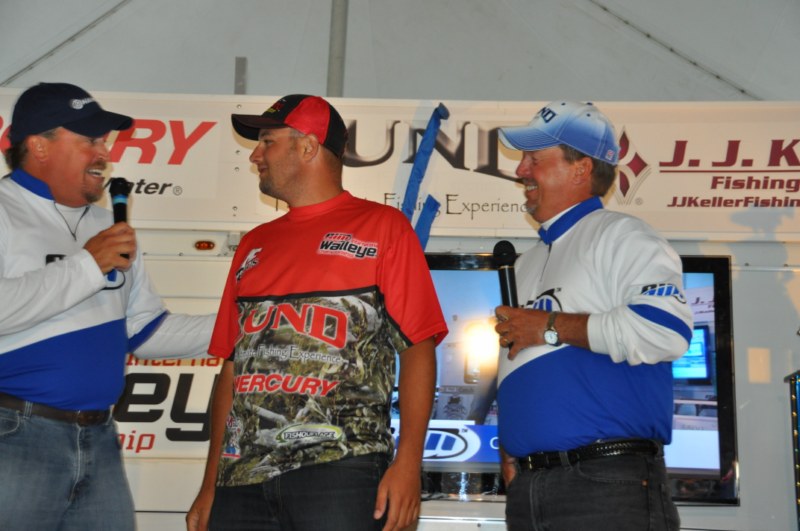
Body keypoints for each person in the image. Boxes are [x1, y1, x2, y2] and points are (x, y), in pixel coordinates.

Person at [186, 94, 447, 531]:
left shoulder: (383, 228)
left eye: (267, 142)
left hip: (341, 469)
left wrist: (408, 465)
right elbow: (231, 369)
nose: (254, 155)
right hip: (242, 478)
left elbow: (418, 348)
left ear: (307, 146)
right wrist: (210, 482)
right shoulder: (253, 244)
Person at [0, 82, 215, 531]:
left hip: (99, 437)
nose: (105, 153)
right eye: (90, 141)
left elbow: (144, 330)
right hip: (15, 433)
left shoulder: (106, 224)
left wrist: (247, 323)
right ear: (39, 145)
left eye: (104, 141)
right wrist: (89, 264)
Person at [493, 101, 694, 531]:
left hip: (607, 486)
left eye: (534, 159)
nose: (521, 171)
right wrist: (512, 448)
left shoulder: (624, 236)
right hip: (529, 488)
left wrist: (549, 327)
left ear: (581, 168)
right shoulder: (527, 262)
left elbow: (665, 331)